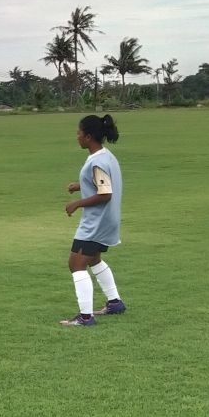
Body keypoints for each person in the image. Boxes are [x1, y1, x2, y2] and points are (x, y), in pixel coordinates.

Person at [60, 114, 127, 327]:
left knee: (76, 263)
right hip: (108, 219)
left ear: (88, 137)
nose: (77, 137)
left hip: (97, 222)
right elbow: (103, 183)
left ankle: (86, 317)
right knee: (94, 259)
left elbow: (105, 193)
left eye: (79, 133)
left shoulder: (97, 161)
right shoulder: (106, 156)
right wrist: (80, 185)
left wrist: (77, 203)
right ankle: (114, 302)